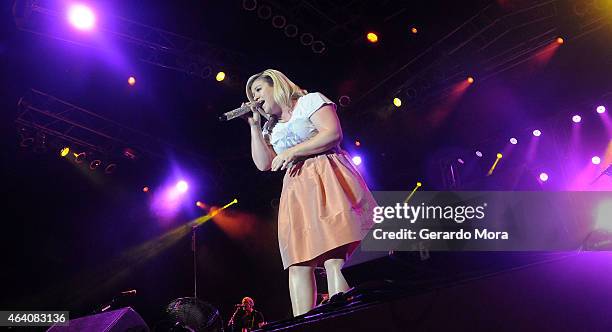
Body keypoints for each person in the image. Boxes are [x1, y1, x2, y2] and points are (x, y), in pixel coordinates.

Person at [242, 69, 376, 316]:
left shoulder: (310, 101)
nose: (255, 97)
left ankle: (344, 318)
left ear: (276, 85)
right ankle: (303, 324)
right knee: (298, 263)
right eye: (251, 94)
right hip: (297, 189)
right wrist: (254, 126)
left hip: (326, 173)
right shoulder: (270, 128)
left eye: (258, 89)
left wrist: (294, 152)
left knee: (334, 255)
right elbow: (264, 164)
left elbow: (332, 133)